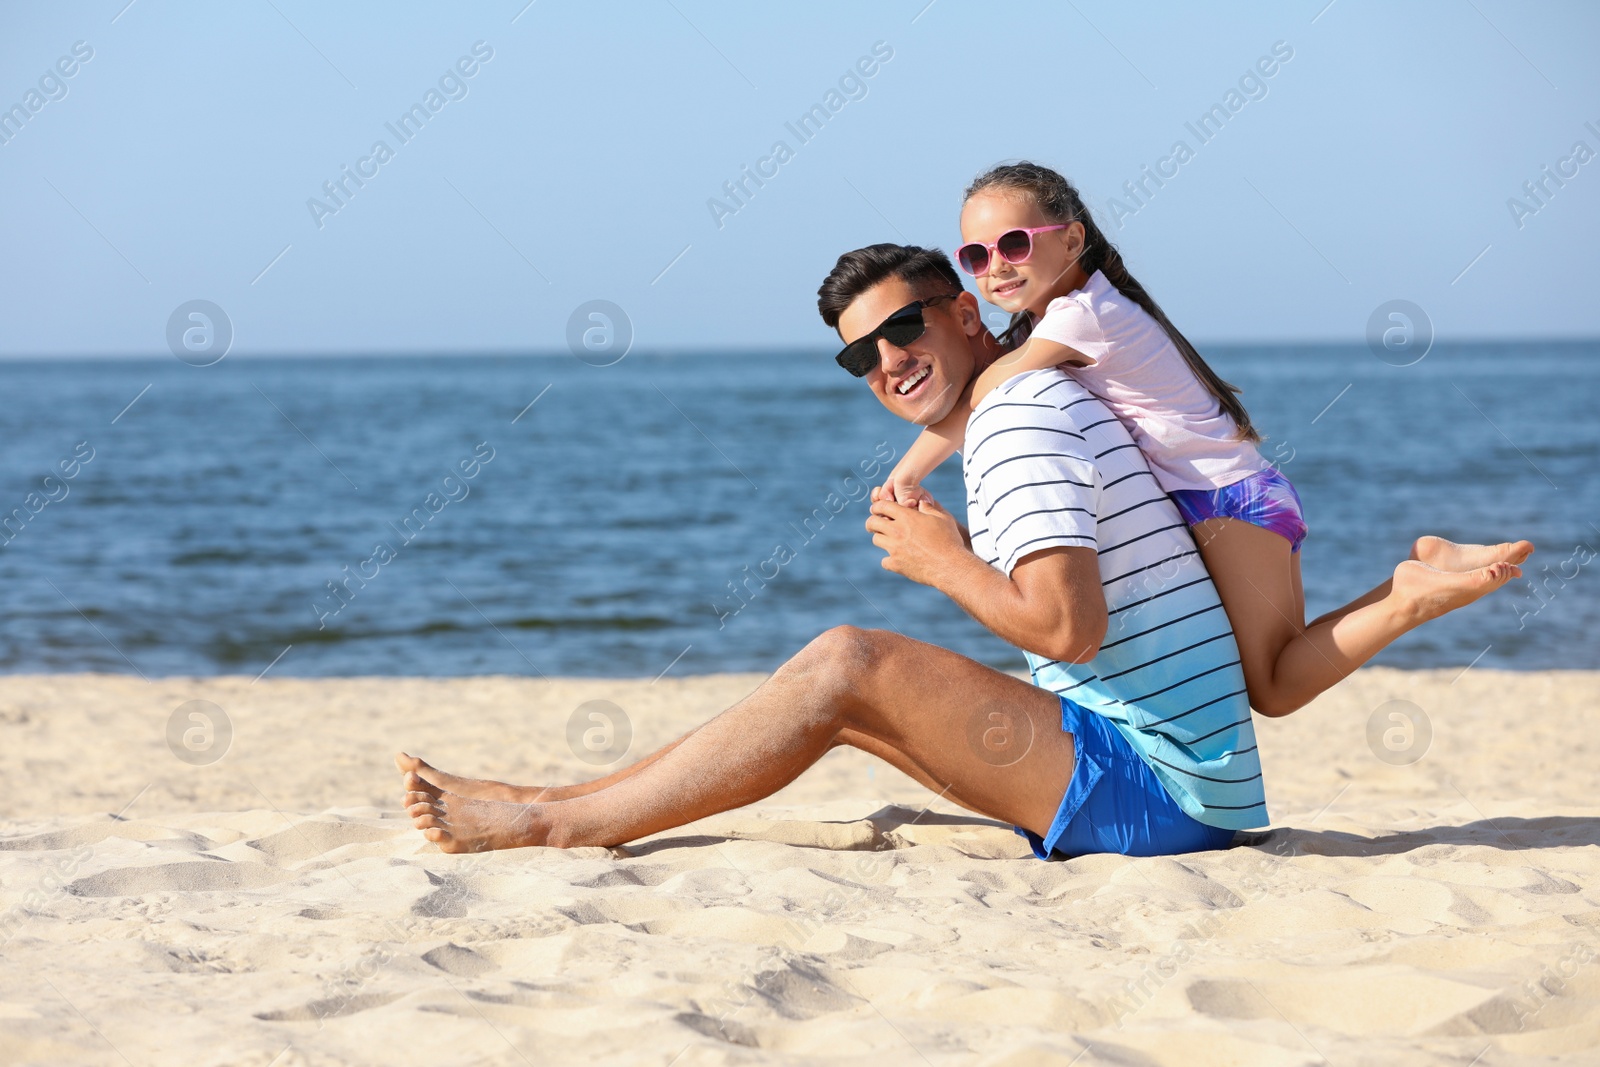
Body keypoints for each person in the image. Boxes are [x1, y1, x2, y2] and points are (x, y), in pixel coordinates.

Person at [399, 244, 1271, 859]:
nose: (889, 360)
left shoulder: (1019, 418)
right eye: (862, 353)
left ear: (967, 313)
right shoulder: (1015, 409)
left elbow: (1071, 629)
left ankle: (558, 828)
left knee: (847, 660)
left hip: (1162, 792)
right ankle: (561, 801)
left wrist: (945, 563)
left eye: (903, 326)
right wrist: (958, 554)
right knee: (826, 698)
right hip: (1162, 777)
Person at [880, 161, 1531, 716]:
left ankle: (1411, 596)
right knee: (1283, 657)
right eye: (976, 256)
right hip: (1230, 500)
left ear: (1073, 238)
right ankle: (1418, 575)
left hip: (1229, 504)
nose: (995, 266)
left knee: (1272, 686)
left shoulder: (1086, 314)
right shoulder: (1070, 315)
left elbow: (992, 387)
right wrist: (912, 474)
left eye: (1015, 244)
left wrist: (905, 477)